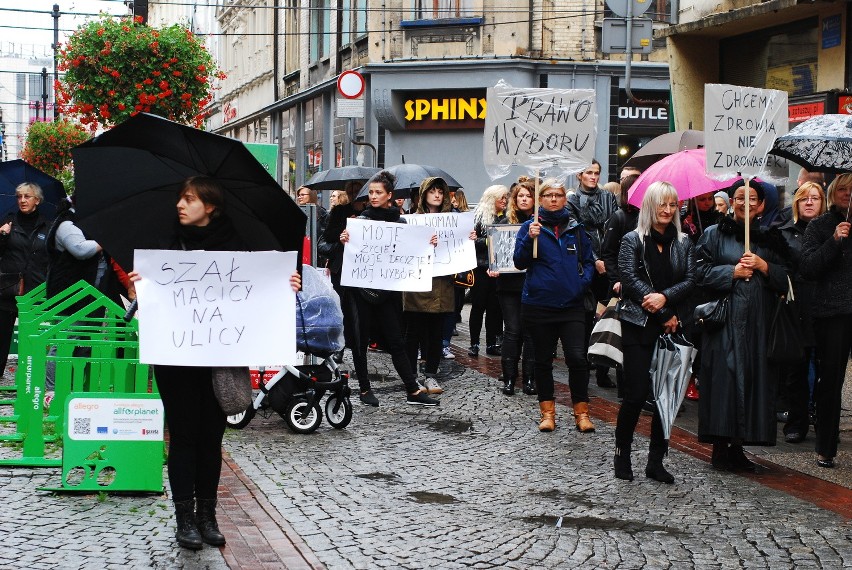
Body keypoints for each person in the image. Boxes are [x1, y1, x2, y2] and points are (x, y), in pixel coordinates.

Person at [128, 176, 302, 551]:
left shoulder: (239, 248)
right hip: (176, 359)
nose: (180, 205)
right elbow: (146, 296)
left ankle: (208, 516)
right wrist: (137, 285)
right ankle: (185, 519)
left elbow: (260, 292)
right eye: (179, 198)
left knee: (212, 439)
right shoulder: (165, 245)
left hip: (221, 359)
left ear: (211, 206)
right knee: (184, 436)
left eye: (188, 199)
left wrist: (286, 284)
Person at [695, 179, 789, 471]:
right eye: (739, 197)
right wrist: (731, 272)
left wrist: (764, 267)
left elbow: (787, 279)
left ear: (761, 205)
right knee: (724, 381)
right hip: (724, 321)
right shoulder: (713, 234)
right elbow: (697, 271)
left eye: (752, 198)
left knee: (751, 381)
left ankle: (737, 447)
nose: (745, 203)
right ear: (731, 201)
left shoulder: (770, 239)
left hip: (757, 324)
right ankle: (720, 448)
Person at [613, 181, 696, 483]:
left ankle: (656, 461)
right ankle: (622, 455)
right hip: (639, 324)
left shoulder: (685, 242)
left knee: (666, 395)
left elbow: (690, 280)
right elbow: (630, 279)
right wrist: (661, 310)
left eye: (672, 204)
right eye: (662, 203)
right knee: (635, 394)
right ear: (650, 205)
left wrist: (667, 301)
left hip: (674, 325)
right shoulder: (632, 240)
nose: (667, 209)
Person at [339, 170, 440, 407]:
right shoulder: (360, 221)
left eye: (378, 192)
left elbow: (411, 253)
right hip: (361, 290)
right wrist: (344, 240)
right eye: (371, 192)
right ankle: (364, 388)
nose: (373, 196)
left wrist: (428, 244)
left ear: (389, 195)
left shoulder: (400, 222)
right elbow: (348, 255)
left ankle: (412, 390)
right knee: (361, 340)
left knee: (396, 339)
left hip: (388, 290)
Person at [514, 179, 595, 433]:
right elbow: (519, 262)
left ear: (564, 198)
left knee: (577, 358)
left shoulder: (576, 228)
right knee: (542, 360)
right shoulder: (530, 226)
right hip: (539, 304)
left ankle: (581, 412)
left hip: (571, 306)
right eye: (547, 195)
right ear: (541, 200)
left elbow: (589, 262)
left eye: (558, 195)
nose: (553, 199)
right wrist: (529, 238)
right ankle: (547, 413)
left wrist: (579, 285)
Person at [799, 173, 852, 469]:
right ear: (832, 194)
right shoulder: (820, 226)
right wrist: (834, 241)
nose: (847, 194)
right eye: (842, 189)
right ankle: (826, 446)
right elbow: (807, 268)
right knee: (830, 381)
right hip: (832, 314)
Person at [403, 177, 469, 395]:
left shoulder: (453, 220)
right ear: (424, 195)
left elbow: (460, 245)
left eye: (440, 191)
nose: (437, 195)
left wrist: (469, 238)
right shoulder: (411, 220)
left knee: (435, 332)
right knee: (414, 331)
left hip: (442, 283)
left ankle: (431, 374)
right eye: (432, 191)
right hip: (418, 283)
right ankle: (411, 376)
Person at [777, 181, 825, 444]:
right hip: (796, 307)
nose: (809, 202)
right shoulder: (785, 233)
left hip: (825, 305)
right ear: (796, 202)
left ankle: (823, 421)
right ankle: (796, 422)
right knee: (796, 368)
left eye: (815, 198)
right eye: (804, 197)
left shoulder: (832, 231)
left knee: (826, 368)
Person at [567, 160, 618, 388]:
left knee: (607, 314)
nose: (594, 177)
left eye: (597, 172)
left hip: (609, 262)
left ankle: (603, 368)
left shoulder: (608, 197)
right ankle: (584, 362)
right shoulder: (573, 200)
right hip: (586, 263)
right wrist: (595, 259)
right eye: (589, 172)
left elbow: (613, 227)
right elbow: (578, 233)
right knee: (586, 315)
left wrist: (608, 259)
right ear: (580, 175)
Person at [0, 182, 51, 377]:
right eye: (19, 196)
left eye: (27, 196)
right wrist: (2, 236)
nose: (22, 200)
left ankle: (33, 378)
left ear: (37, 200)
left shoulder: (48, 226)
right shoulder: (8, 222)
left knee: (33, 339)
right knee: (2, 338)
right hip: (7, 290)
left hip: (35, 291)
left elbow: (52, 258)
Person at [492, 177, 536, 396]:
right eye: (521, 196)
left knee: (530, 332)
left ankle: (529, 378)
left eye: (528, 196)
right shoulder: (503, 223)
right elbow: (496, 253)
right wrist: (493, 266)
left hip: (533, 284)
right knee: (512, 330)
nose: (524, 199)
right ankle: (509, 378)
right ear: (514, 199)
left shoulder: (540, 224)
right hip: (508, 284)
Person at [599, 172, 641, 396]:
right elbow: (609, 251)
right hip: (620, 285)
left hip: (640, 285)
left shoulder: (648, 215)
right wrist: (615, 279)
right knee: (618, 332)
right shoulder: (619, 217)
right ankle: (614, 379)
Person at [469, 185, 507, 357]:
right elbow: (471, 241)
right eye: (502, 198)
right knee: (478, 307)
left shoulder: (506, 217)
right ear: (493, 199)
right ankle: (474, 343)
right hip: (481, 267)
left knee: (494, 309)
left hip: (498, 269)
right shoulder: (479, 217)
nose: (505, 201)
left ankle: (492, 343)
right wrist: (489, 241)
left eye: (506, 198)